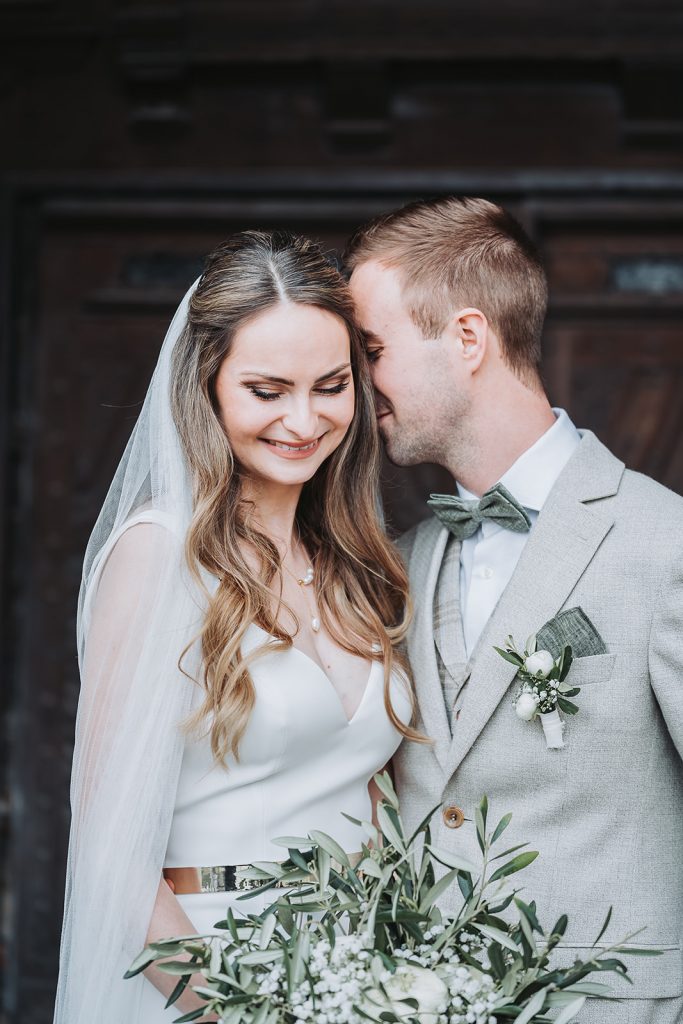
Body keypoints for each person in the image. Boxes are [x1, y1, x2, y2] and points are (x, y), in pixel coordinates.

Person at [54, 230, 422, 1024]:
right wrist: (234, 1010)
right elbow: (110, 851)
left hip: (357, 978)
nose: (303, 419)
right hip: (203, 974)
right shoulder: (159, 557)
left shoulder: (357, 564)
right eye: (266, 390)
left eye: (330, 386)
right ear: (207, 388)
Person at [346, 196, 683, 1024]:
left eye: (373, 350)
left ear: (468, 338)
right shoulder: (401, 561)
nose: (356, 383)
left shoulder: (662, 542)